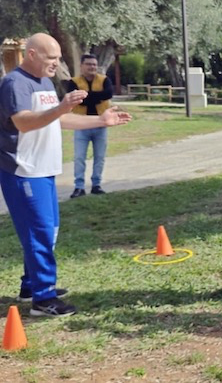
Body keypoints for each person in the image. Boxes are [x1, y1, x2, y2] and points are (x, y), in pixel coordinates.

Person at [0, 33, 132, 317]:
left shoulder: (44, 82)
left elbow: (58, 119)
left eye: (58, 57)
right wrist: (61, 106)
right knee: (40, 233)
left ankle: (30, 286)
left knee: (48, 231)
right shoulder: (15, 83)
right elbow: (23, 122)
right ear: (31, 54)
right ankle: (43, 299)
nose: (56, 63)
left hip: (44, 169)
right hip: (24, 171)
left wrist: (101, 120)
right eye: (51, 58)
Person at [65, 54, 114, 197]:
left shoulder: (104, 80)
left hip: (100, 124)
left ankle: (96, 185)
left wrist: (86, 96)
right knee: (79, 157)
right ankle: (79, 187)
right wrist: (97, 97)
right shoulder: (73, 82)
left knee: (100, 157)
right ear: (81, 66)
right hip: (81, 124)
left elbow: (108, 94)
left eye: (94, 64)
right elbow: (76, 100)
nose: (92, 67)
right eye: (88, 64)